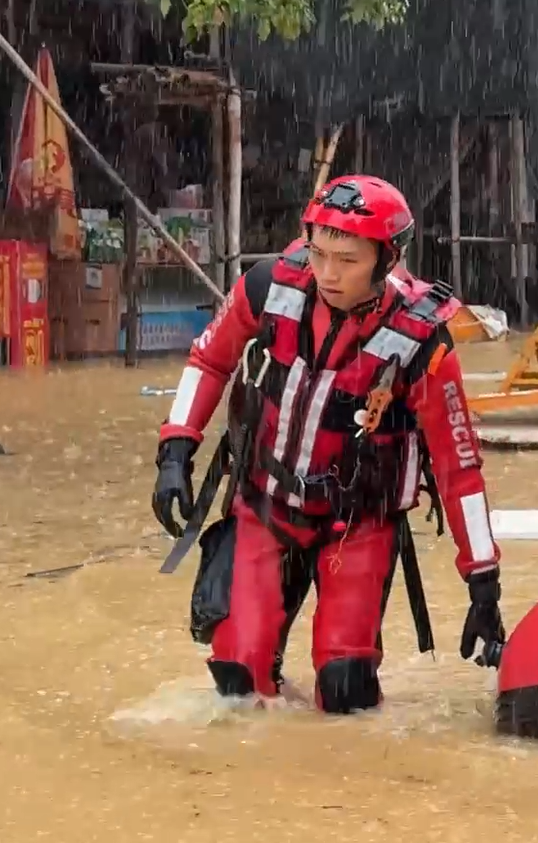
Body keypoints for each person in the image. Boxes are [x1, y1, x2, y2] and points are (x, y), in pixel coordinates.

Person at [151, 176, 505, 712]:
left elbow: (459, 467)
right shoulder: (269, 285)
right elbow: (209, 359)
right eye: (318, 253)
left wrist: (483, 581)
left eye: (347, 259)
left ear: (388, 259)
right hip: (266, 504)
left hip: (357, 526)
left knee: (346, 694)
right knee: (237, 684)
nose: (328, 273)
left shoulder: (423, 342)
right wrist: (175, 451)